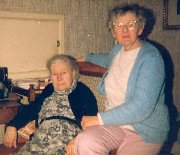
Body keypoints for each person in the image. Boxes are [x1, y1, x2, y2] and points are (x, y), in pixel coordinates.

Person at [74, 3, 169, 155]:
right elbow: (108, 60)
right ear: (113, 31)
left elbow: (141, 107)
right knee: (85, 142)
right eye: (119, 25)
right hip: (115, 124)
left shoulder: (152, 59)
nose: (125, 30)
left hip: (144, 130)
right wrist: (87, 57)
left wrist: (99, 119)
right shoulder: (118, 50)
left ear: (140, 28)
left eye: (131, 24)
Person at [3, 54, 98, 154]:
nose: (59, 78)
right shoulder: (49, 90)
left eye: (63, 73)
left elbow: (91, 122)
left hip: (65, 143)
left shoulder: (82, 91)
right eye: (54, 74)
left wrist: (78, 141)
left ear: (73, 73)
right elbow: (31, 109)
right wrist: (12, 126)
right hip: (38, 143)